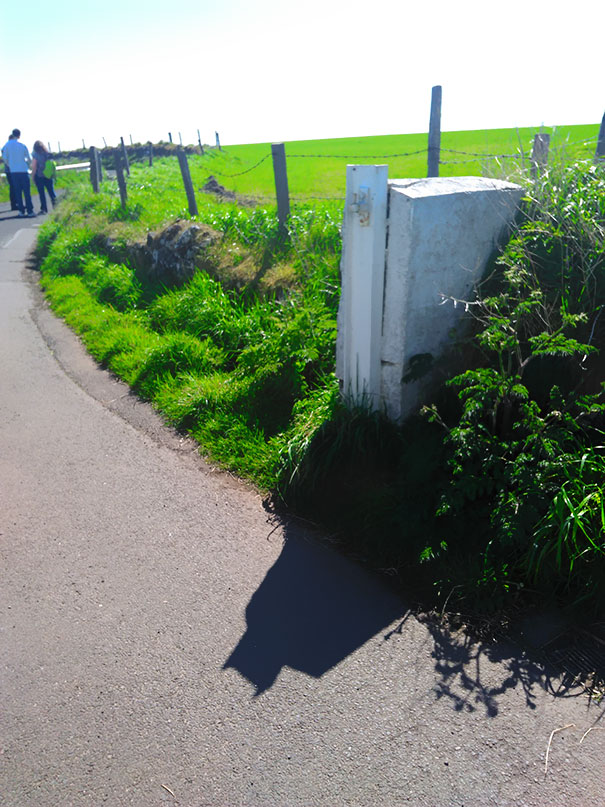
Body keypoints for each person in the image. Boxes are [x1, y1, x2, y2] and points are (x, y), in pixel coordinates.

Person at [1, 128, 34, 217]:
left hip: (14, 172)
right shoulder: (22, 145)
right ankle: (30, 210)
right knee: (27, 191)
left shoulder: (6, 146)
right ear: (19, 135)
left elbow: (4, 158)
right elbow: (29, 158)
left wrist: (10, 165)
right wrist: (28, 165)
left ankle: (21, 211)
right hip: (23, 170)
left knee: (17, 191)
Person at [31, 140, 57, 214]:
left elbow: (34, 166)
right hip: (48, 176)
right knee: (51, 192)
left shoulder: (35, 155)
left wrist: (32, 177)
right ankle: (56, 206)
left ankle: (44, 209)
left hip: (40, 176)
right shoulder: (48, 154)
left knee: (41, 193)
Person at [1, 133, 20, 210]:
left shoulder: (5, 147)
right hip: (11, 170)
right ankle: (15, 204)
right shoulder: (7, 147)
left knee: (13, 187)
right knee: (14, 187)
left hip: (9, 170)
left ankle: (15, 203)